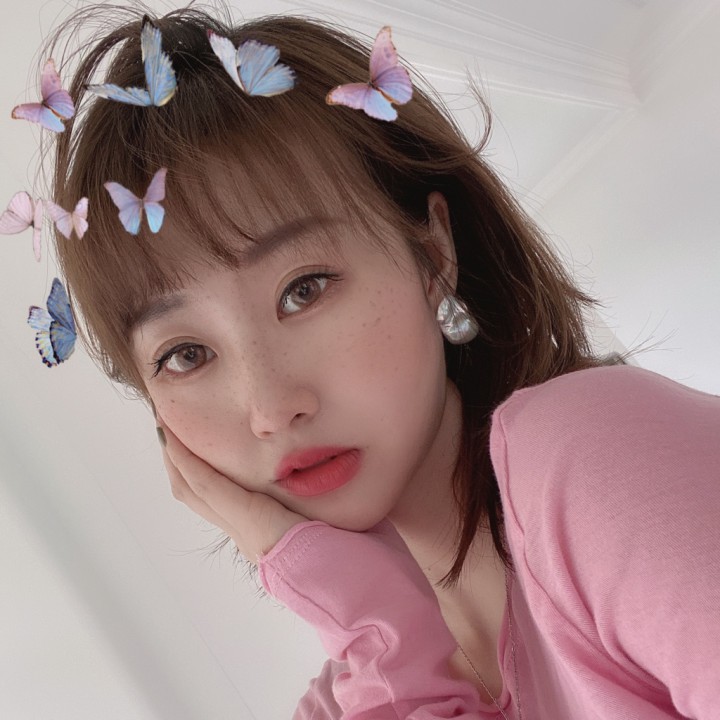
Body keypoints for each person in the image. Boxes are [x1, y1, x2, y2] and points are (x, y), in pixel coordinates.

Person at [42, 5, 719, 718]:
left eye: (304, 290)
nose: (272, 408)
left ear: (432, 254)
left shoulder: (587, 457)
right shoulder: (349, 698)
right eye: (186, 354)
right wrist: (374, 627)